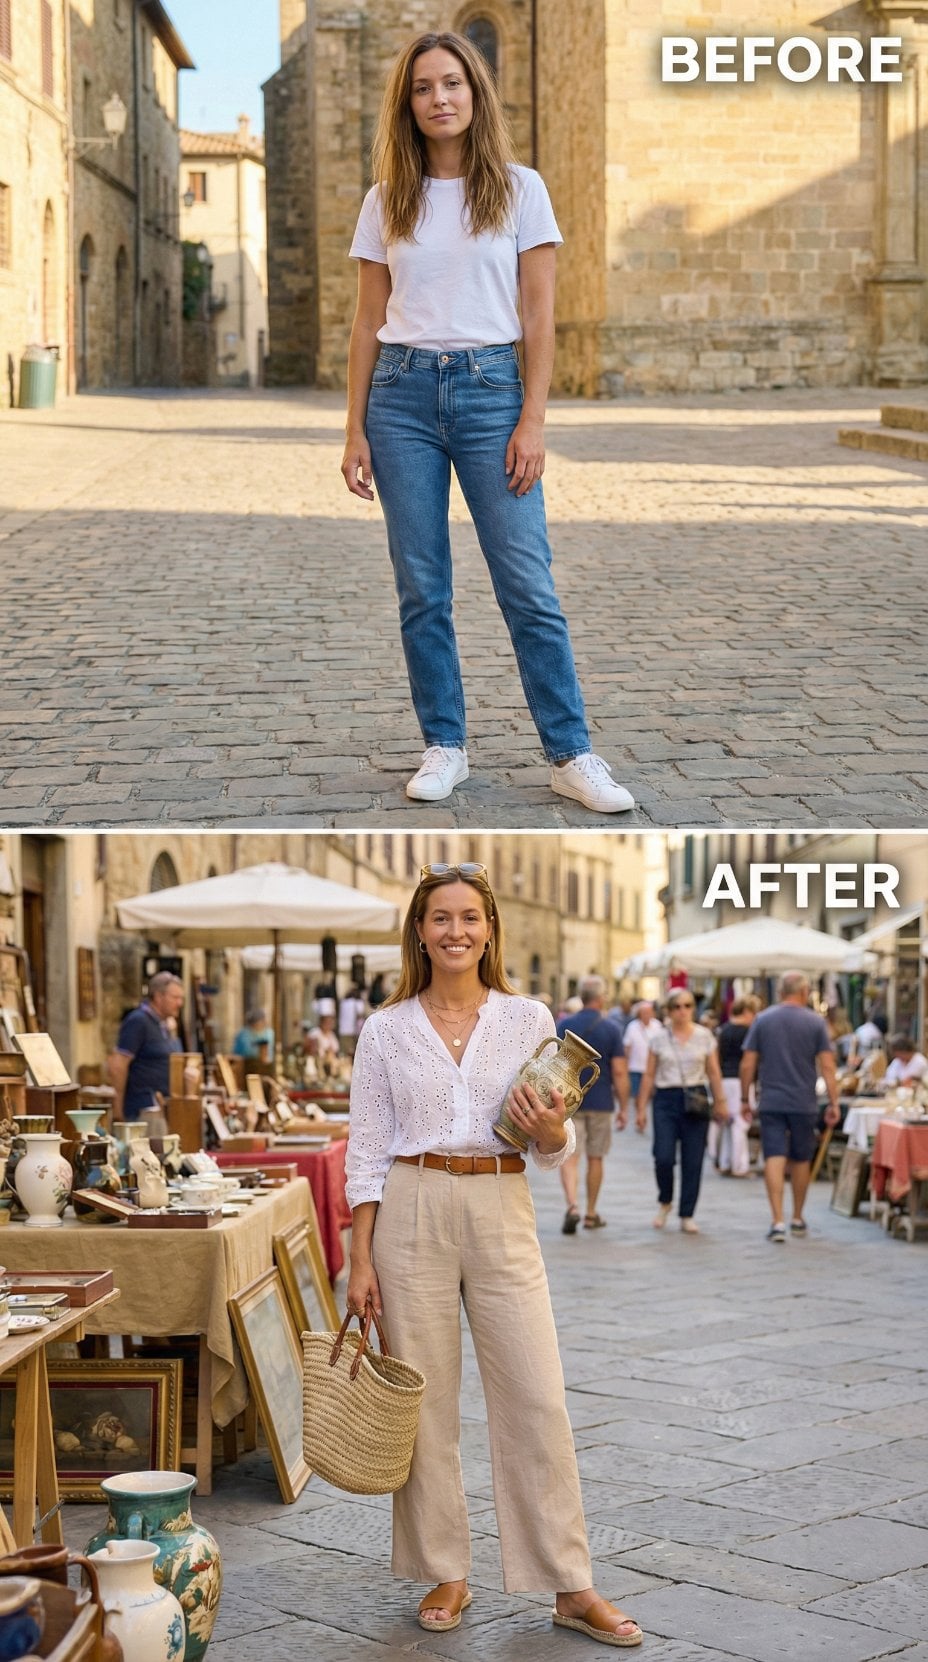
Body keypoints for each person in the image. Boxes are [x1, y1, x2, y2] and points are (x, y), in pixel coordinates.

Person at [345, 862, 643, 1648]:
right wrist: (361, 1256)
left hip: (502, 1200)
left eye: (469, 917)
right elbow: (368, 1149)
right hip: (410, 1205)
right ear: (419, 930)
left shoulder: (526, 1017)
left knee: (537, 1395)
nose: (455, 931)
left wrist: (551, 1132)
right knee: (426, 1403)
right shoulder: (385, 1028)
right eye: (440, 918)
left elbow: (553, 1141)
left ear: (489, 929)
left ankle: (571, 1584)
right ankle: (446, 1566)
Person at [342, 30, 634, 816]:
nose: (439, 98)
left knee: (526, 583)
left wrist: (532, 419)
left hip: (490, 393)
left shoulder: (518, 188)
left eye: (452, 84)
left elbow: (539, 316)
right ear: (406, 104)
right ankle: (446, 745)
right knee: (422, 587)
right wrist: (355, 429)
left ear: (476, 93)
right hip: (399, 400)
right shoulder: (385, 200)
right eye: (423, 88)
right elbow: (369, 319)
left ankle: (571, 753)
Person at [739, 971, 840, 1243]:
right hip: (803, 1101)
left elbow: (747, 1063)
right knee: (800, 1158)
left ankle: (777, 1221)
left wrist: (744, 1098)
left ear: (781, 992)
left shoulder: (763, 1019)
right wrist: (833, 1101)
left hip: (771, 1100)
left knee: (773, 1155)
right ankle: (797, 1216)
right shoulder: (815, 1022)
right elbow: (828, 1066)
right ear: (805, 992)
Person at [636, 989, 726, 1233]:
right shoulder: (658, 1038)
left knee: (693, 1159)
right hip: (666, 1099)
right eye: (677, 1006)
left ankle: (687, 1213)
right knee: (663, 1156)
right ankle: (665, 1200)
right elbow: (649, 1074)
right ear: (668, 1010)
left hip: (696, 1097)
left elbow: (714, 1071)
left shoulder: (705, 1036)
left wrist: (721, 1101)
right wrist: (641, 1108)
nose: (682, 1011)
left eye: (687, 1005)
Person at [556, 975, 629, 1233]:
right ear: (601, 998)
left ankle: (572, 1205)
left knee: (570, 1157)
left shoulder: (564, 1025)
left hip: (568, 1101)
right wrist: (624, 1107)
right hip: (601, 1101)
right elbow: (619, 1071)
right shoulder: (611, 1029)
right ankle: (590, 1212)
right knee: (596, 1158)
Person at [106, 972, 184, 1122]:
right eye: (175, 998)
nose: (180, 1003)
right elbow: (118, 1065)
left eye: (181, 998)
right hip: (143, 1111)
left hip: (162, 1108)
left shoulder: (164, 1024)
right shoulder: (138, 1021)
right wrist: (117, 1112)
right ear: (158, 997)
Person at [713, 997, 760, 1177]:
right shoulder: (749, 1031)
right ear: (747, 1011)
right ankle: (740, 1166)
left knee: (727, 1122)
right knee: (741, 1123)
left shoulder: (723, 1030)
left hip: (724, 1079)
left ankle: (725, 1161)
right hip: (741, 1080)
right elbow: (750, 1062)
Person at [623, 1001, 659, 1109]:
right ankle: (640, 1111)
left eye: (648, 1012)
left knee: (648, 1094)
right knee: (637, 1095)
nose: (646, 1015)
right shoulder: (632, 1026)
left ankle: (642, 1111)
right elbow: (627, 1047)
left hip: (651, 1068)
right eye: (644, 1012)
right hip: (635, 1068)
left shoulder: (657, 1026)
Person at [338, 985, 367, 1059]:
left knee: (344, 1053)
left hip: (343, 1030)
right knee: (354, 1053)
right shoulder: (358, 1002)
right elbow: (360, 1014)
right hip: (354, 1031)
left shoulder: (343, 1002)